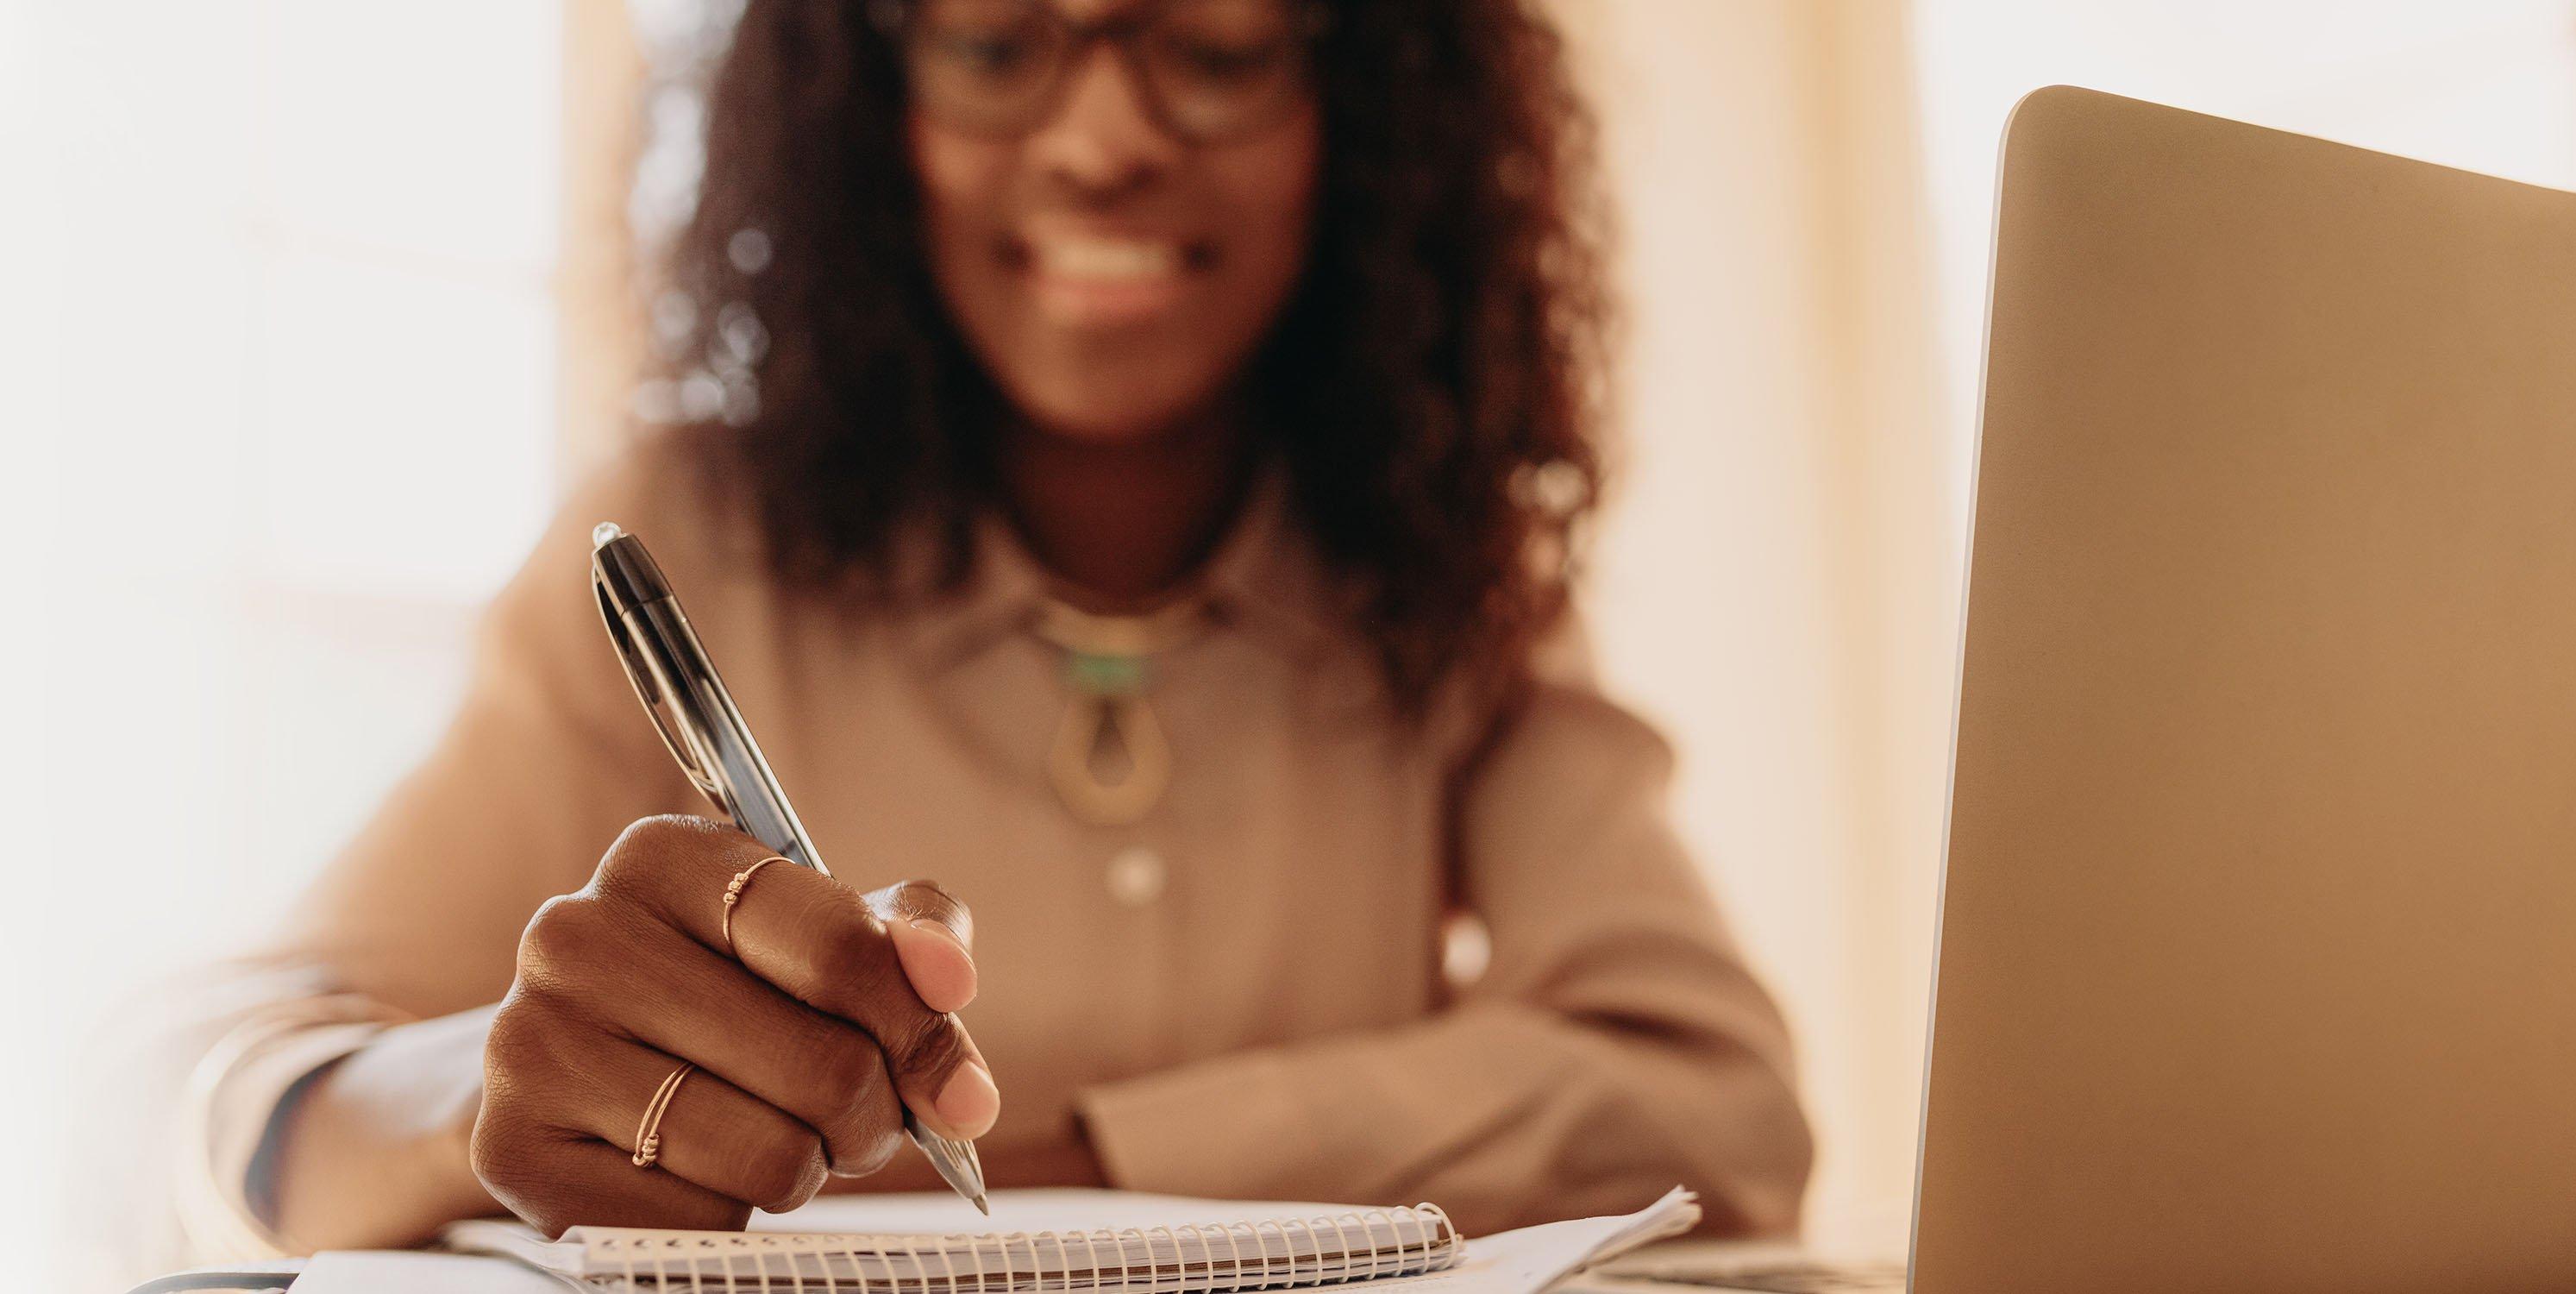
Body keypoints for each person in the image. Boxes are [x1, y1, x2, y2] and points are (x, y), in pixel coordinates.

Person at [159, 0, 1811, 1259]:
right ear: (871, 97)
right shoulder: (697, 537)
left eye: (1218, 42)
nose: (1100, 141)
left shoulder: (1445, 568)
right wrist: (479, 1097)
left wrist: (1063, 1166)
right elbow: (205, 1080)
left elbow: (1717, 1107)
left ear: (1367, 99)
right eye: (1001, 41)